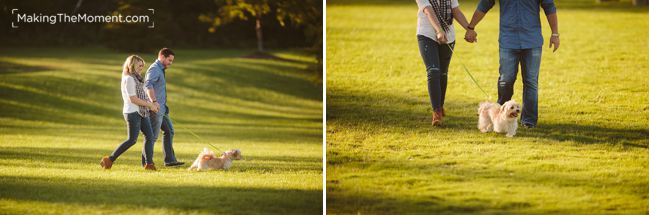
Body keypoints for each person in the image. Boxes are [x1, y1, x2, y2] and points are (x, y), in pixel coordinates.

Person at [464, 0, 560, 128]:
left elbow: (549, 7)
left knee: (531, 81)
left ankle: (528, 121)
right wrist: (471, 27)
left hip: (532, 40)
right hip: (508, 41)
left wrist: (555, 33)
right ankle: (500, 117)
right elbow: (485, 3)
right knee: (506, 80)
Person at [416, 0, 475, 126]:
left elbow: (455, 10)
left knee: (442, 73)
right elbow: (427, 10)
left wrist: (469, 28)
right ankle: (436, 111)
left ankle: (440, 106)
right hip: (427, 34)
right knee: (433, 71)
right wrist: (438, 30)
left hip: (448, 35)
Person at [101, 55, 159, 170]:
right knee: (132, 140)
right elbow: (133, 99)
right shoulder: (128, 79)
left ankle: (149, 164)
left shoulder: (138, 78)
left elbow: (142, 95)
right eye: (139, 65)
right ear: (131, 65)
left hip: (142, 112)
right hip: (132, 113)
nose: (142, 67)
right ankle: (109, 160)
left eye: (143, 65)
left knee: (150, 137)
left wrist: (153, 103)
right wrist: (149, 105)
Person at [143, 48, 184, 166]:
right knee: (152, 137)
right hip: (155, 109)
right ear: (162, 57)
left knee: (169, 130)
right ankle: (146, 163)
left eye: (172, 61)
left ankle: (170, 160)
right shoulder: (155, 69)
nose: (170, 63)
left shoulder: (160, 69)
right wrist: (154, 102)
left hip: (162, 109)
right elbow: (147, 85)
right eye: (169, 60)